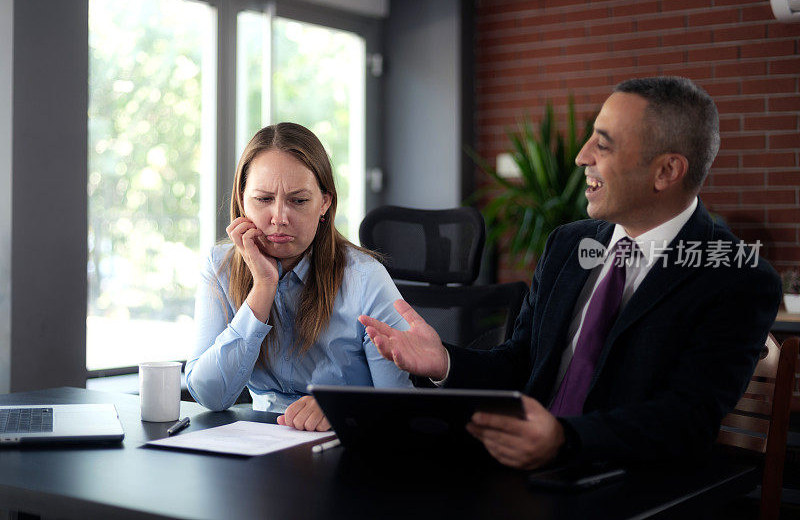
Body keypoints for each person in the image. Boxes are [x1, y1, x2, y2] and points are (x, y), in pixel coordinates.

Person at [360, 77, 782, 469]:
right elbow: (520, 363)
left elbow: (685, 421)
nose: (582, 157)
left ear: (666, 171)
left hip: (621, 482)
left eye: (604, 145)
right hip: (516, 468)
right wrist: (445, 362)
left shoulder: (738, 279)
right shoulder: (567, 244)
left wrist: (564, 440)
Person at [187, 122, 412, 431]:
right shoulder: (220, 266)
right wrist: (263, 287)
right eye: (263, 199)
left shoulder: (365, 278)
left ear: (324, 203)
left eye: (299, 200)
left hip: (348, 440)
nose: (279, 217)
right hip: (260, 440)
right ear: (242, 200)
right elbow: (210, 396)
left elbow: (402, 406)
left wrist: (345, 407)